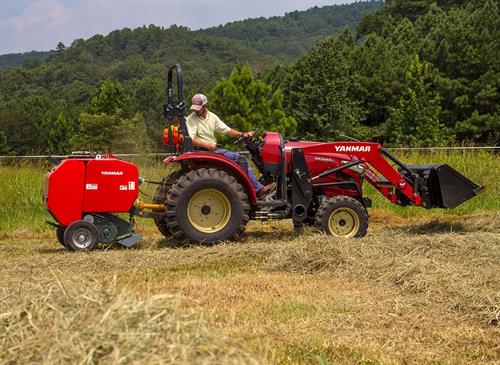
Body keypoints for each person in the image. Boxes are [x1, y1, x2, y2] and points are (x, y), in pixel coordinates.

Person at [186, 93, 276, 199]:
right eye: (195, 108)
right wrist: (208, 145)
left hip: (211, 150)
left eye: (198, 108)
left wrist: (243, 134)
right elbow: (190, 140)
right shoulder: (191, 119)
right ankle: (259, 190)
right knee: (240, 158)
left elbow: (227, 131)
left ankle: (251, 188)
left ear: (206, 106)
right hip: (203, 151)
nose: (196, 111)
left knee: (236, 157)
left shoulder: (212, 117)